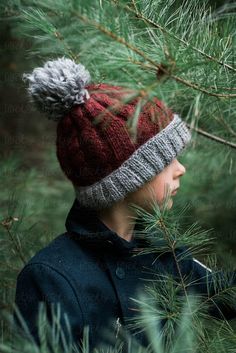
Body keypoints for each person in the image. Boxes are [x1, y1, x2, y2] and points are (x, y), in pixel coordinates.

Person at [13, 57, 235, 352]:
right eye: (166, 160)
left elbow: (225, 296)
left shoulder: (162, 253)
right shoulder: (51, 278)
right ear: (127, 178)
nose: (180, 169)